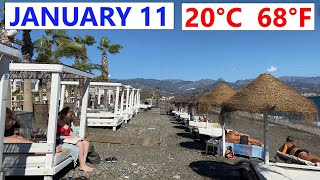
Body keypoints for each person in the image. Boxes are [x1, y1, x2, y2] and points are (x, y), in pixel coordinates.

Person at [57, 107, 93, 172]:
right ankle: (82, 165)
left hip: (67, 138)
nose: (69, 115)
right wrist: (66, 137)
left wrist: (77, 137)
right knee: (80, 144)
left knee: (86, 142)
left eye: (70, 114)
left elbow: (69, 132)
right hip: (61, 140)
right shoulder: (57, 121)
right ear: (64, 113)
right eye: (68, 113)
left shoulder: (67, 120)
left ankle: (83, 164)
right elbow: (53, 136)